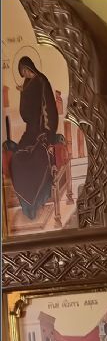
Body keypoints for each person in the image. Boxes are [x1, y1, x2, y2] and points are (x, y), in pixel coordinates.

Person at [6, 56, 61, 222]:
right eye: (22, 72)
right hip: (30, 132)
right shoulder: (27, 84)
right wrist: (23, 94)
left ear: (30, 67)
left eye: (25, 70)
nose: (25, 74)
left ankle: (37, 202)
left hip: (42, 132)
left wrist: (48, 134)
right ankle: (27, 206)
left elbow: (49, 109)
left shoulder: (42, 81)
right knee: (17, 160)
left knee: (38, 158)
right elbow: (25, 114)